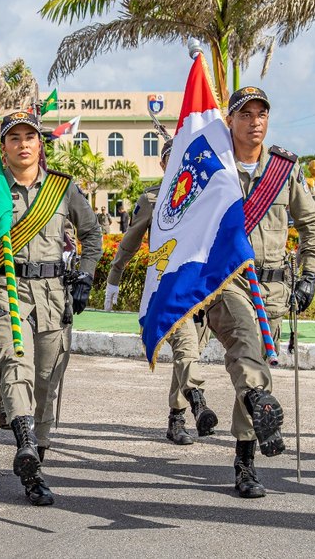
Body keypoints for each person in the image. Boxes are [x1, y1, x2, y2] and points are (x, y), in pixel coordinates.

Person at [0, 111, 101, 506]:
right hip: (5, 290)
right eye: (14, 138)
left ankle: (36, 464)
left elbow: (92, 234)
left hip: (53, 294)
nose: (24, 143)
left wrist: (85, 276)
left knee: (46, 380)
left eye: (30, 136)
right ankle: (25, 443)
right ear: (4, 146)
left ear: (40, 144)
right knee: (17, 364)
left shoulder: (62, 189)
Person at [205, 86, 315, 498]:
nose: (255, 121)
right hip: (228, 282)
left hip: (273, 286)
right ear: (230, 121)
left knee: (255, 367)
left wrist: (310, 274)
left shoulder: (283, 169)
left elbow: (311, 225)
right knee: (245, 346)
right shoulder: (211, 167)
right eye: (245, 114)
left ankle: (245, 460)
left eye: (261, 114)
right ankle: (259, 412)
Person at [104, 139, 218, 445]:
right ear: (163, 164)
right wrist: (114, 276)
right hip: (168, 284)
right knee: (186, 347)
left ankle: (175, 418)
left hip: (202, 285)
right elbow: (131, 238)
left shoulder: (208, 193)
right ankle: (198, 402)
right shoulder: (153, 198)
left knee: (189, 354)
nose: (177, 163)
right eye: (170, 158)